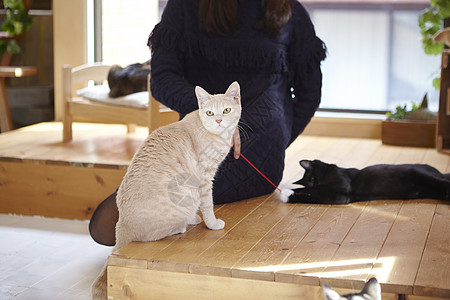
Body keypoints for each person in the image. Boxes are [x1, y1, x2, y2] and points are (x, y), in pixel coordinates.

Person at [89, 0, 326, 246]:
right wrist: (207, 117)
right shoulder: (184, 6)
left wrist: (278, 138)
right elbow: (161, 78)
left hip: (259, 142)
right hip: (197, 134)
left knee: (110, 223)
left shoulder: (289, 11)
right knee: (105, 225)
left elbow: (309, 93)